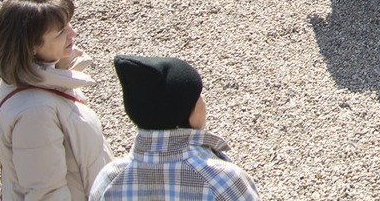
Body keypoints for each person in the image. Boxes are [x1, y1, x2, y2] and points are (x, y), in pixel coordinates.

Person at [0, 0, 113, 200]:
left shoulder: (42, 79)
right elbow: (45, 193)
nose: (73, 33)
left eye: (69, 25)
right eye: (61, 31)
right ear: (32, 47)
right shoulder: (34, 113)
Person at [92, 55, 257, 200]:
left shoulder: (109, 180)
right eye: (197, 95)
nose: (203, 100)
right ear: (189, 114)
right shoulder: (223, 181)